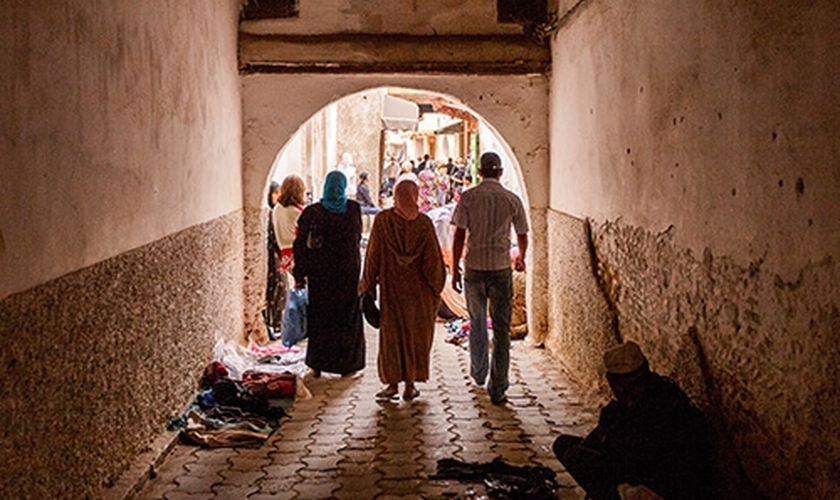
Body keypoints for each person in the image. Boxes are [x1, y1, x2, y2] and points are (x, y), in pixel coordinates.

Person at [552, 341, 711, 500]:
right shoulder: (623, 406)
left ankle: (625, 494)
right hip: (636, 468)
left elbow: (651, 455)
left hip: (659, 482)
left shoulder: (665, 402)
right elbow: (602, 441)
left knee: (576, 456)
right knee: (564, 444)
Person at [451, 151, 528, 405]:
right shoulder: (512, 199)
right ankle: (498, 387)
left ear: (480, 172)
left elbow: (459, 235)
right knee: (502, 329)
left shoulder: (469, 198)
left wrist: (455, 267)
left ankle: (478, 372)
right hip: (499, 269)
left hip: (474, 267)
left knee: (477, 321)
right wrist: (521, 258)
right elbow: (523, 234)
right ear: (501, 172)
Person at [359, 173, 446, 401]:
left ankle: (391, 385)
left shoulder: (383, 221)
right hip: (418, 295)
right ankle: (410, 385)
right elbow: (433, 263)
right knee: (416, 336)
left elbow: (373, 257)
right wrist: (436, 288)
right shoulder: (424, 224)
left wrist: (367, 286)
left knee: (392, 336)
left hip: (392, 291)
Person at [293, 171, 366, 378]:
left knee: (320, 318)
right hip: (347, 274)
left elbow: (301, 246)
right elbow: (357, 237)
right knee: (346, 318)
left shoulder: (312, 212)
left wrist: (300, 274)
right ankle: (348, 366)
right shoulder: (353, 209)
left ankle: (317, 365)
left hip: (321, 276)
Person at [271, 175, 306, 340]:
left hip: (284, 254)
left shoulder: (276, 210)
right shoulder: (298, 212)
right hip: (298, 254)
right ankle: (302, 327)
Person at [263, 181, 283, 339]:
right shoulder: (271, 213)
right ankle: (272, 324)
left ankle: (276, 324)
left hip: (276, 255)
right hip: (272, 257)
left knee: (278, 289)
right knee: (275, 288)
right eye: (276, 193)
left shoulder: (275, 212)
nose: (279, 196)